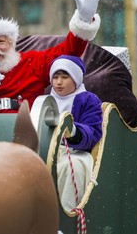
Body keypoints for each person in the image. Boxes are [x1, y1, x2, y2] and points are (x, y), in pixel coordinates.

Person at [49, 55, 103, 213]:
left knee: (73, 167)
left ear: (76, 78)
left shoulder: (88, 100)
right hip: (46, 151)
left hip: (74, 152)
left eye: (65, 77)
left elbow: (93, 132)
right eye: (55, 77)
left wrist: (73, 131)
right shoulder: (44, 98)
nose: (59, 82)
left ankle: (67, 214)